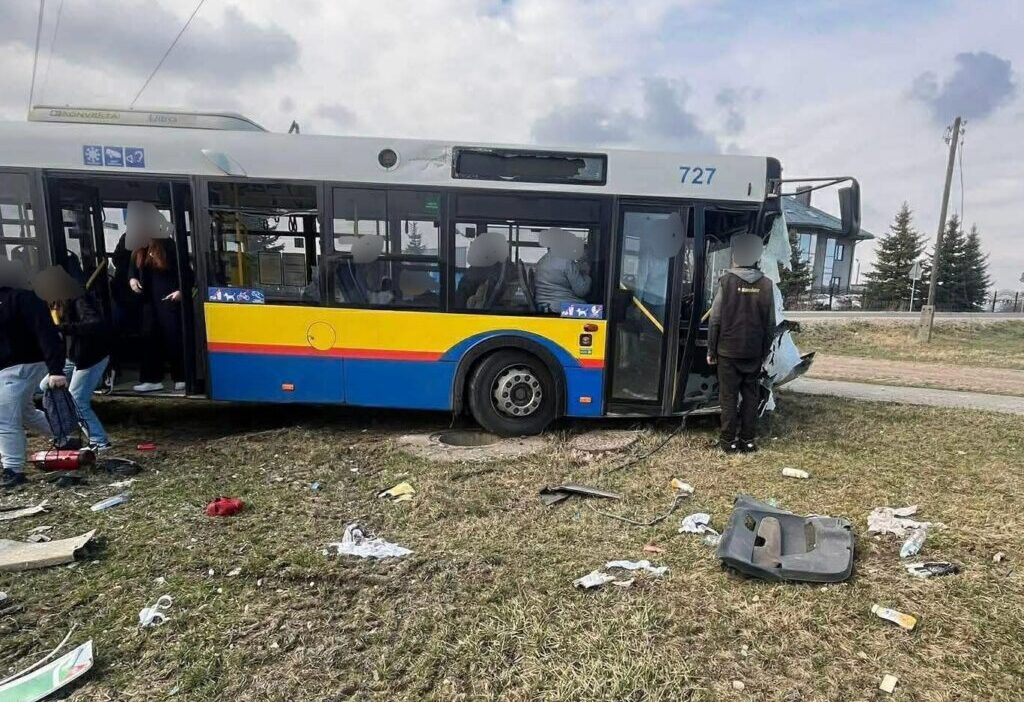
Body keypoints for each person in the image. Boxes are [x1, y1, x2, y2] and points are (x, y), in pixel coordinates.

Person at [707, 233, 776, 454]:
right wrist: (764, 352)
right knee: (751, 395)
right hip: (754, 352)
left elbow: (715, 319)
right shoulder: (766, 285)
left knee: (728, 397)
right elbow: (770, 323)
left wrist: (711, 349)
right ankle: (748, 441)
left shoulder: (726, 282)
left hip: (727, 351)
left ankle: (728, 442)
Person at [0, 260, 66, 489]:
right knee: (25, 412)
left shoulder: (25, 299)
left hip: (24, 365)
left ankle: (13, 469)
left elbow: (46, 333)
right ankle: (65, 436)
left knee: (4, 417)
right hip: (12, 367)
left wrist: (56, 370)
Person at [34, 265, 113, 451]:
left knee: (78, 399)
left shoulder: (79, 299)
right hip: (74, 355)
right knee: (45, 386)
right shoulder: (56, 302)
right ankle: (65, 430)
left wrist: (64, 328)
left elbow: (94, 323)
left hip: (92, 356)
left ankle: (99, 441)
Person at [126, 202, 189, 393]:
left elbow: (185, 271)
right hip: (148, 301)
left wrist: (181, 291)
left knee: (173, 338)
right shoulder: (138, 247)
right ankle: (152, 379)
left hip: (168, 299)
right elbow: (131, 271)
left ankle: (182, 376)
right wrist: (132, 280)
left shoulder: (168, 245)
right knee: (149, 338)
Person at [534, 228, 591, 312]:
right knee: (597, 312)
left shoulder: (542, 261)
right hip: (561, 307)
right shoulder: (566, 261)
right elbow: (582, 291)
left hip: (545, 305)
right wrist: (586, 274)